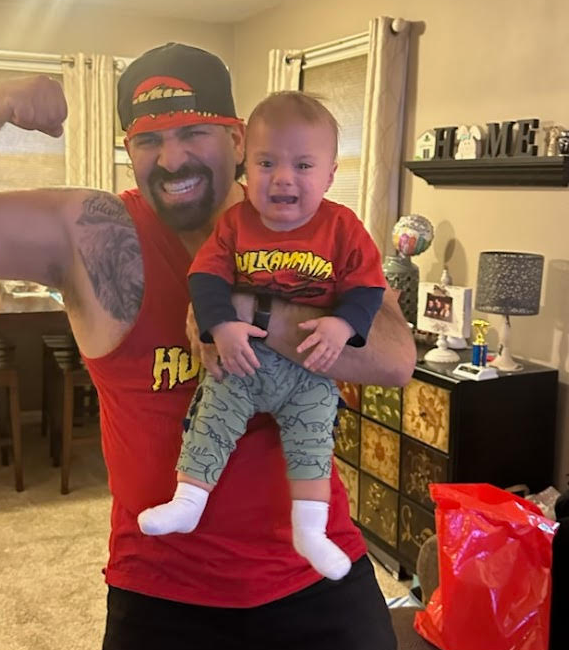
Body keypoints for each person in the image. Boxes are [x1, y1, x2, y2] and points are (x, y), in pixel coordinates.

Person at [0, 41, 425, 650]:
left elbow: (396, 357)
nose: (171, 159)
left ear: (236, 139)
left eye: (192, 132)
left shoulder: (307, 223)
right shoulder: (94, 232)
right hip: (162, 584)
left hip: (315, 571)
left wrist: (249, 315)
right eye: (147, 140)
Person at [138, 91, 385, 582]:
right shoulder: (235, 224)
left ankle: (310, 531)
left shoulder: (342, 227)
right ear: (245, 168)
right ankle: (188, 500)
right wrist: (221, 326)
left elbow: (367, 287)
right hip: (243, 361)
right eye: (267, 163)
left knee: (312, 443)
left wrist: (342, 325)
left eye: (303, 165)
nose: (283, 178)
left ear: (330, 175)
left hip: (309, 369)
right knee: (212, 418)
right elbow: (205, 277)